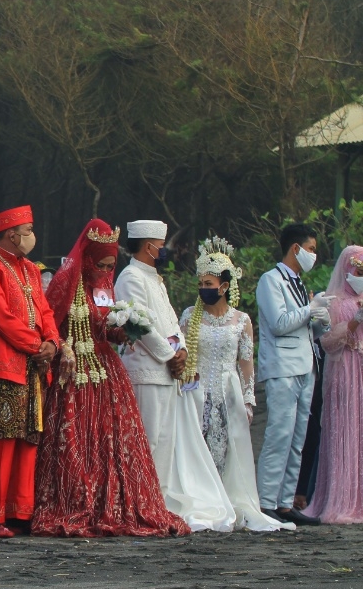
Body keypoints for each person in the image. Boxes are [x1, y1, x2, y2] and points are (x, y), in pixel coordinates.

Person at [32, 219, 189, 537]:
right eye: (100, 265)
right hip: (75, 374)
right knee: (78, 437)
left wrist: (125, 329)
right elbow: (50, 325)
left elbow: (108, 328)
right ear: (87, 260)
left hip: (106, 371)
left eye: (109, 266)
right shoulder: (65, 284)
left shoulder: (104, 287)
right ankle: (79, 499)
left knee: (114, 441)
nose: (105, 272)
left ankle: (115, 500)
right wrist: (63, 347)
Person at [115, 220, 234, 532]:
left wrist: (181, 351)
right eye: (160, 245)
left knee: (165, 443)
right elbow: (139, 325)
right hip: (146, 370)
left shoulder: (156, 278)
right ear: (147, 246)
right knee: (149, 442)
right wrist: (170, 355)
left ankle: (160, 504)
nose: (164, 251)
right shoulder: (130, 277)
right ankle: (141, 507)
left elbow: (169, 321)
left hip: (167, 372)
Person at [179, 237, 293, 531]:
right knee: (197, 449)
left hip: (228, 392)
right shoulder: (190, 317)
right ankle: (203, 501)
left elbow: (246, 363)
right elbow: (181, 355)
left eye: (209, 283)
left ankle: (227, 501)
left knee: (227, 449)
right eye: (201, 283)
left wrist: (248, 399)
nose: (204, 288)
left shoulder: (241, 321)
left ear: (225, 286)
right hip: (196, 393)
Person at [0, 205, 60, 538]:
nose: (31, 236)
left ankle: (20, 512)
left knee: (28, 439)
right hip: (4, 364)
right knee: (0, 439)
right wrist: (37, 345)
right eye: (29, 230)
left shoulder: (31, 270)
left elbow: (45, 308)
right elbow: (0, 316)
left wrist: (52, 340)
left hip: (35, 366)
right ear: (12, 234)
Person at [255, 223, 329, 526]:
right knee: (279, 434)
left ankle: (285, 502)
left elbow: (302, 325)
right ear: (295, 248)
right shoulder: (270, 280)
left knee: (298, 437)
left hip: (305, 364)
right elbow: (279, 323)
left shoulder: (297, 281)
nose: (314, 255)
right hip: (282, 366)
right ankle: (265, 500)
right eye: (311, 249)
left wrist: (319, 320)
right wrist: (311, 309)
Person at [306, 245, 363, 523]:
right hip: (345, 370)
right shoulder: (335, 302)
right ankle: (341, 497)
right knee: (345, 427)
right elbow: (328, 341)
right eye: (358, 270)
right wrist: (356, 320)